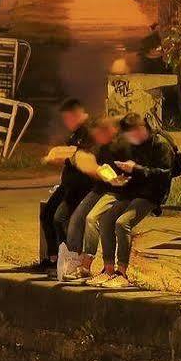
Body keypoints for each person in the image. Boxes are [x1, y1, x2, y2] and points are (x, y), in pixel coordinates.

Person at [81, 114, 181, 287]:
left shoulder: (160, 144)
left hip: (151, 193)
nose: (128, 140)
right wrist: (120, 173)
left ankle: (122, 273)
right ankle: (108, 270)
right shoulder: (135, 145)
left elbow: (164, 174)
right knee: (106, 220)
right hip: (133, 190)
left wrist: (136, 168)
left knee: (122, 223)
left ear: (139, 130)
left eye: (130, 135)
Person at [57, 116, 124, 281]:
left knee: (91, 219)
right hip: (99, 188)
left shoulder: (121, 147)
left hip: (115, 191)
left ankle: (87, 265)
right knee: (76, 219)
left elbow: (117, 174)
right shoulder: (100, 146)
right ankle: (74, 261)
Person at [32, 98, 92, 273]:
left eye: (68, 118)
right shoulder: (75, 134)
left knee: (60, 218)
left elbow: (80, 157)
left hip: (80, 187)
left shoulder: (88, 131)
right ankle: (53, 257)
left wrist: (60, 156)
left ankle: (69, 258)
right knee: (47, 213)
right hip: (67, 184)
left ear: (76, 115)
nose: (66, 122)